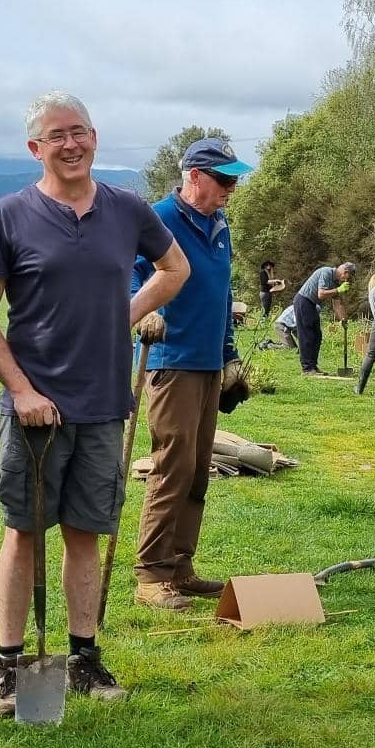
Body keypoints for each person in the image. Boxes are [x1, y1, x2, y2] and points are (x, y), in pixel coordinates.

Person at [0, 92, 190, 710]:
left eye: (79, 132)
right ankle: (10, 665)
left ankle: (84, 658)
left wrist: (126, 315)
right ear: (35, 148)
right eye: (56, 135)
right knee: (24, 534)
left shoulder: (126, 210)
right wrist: (22, 391)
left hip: (103, 403)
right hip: (36, 407)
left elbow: (174, 270)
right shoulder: (10, 215)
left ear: (95, 137)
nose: (71, 144)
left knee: (86, 533)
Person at [131, 138, 249, 612]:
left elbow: (222, 294)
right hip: (171, 360)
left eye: (235, 179)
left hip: (206, 362)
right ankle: (152, 574)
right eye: (224, 179)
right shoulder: (157, 219)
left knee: (198, 469)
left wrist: (229, 355)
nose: (232, 189)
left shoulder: (219, 225)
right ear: (194, 177)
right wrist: (140, 312)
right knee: (172, 465)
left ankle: (180, 565)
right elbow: (129, 273)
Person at [292, 260, 354, 374]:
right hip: (303, 301)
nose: (345, 280)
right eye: (347, 277)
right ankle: (307, 368)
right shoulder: (326, 272)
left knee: (317, 336)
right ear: (344, 272)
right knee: (307, 335)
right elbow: (321, 294)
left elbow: (337, 303)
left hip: (312, 304)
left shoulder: (335, 282)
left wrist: (343, 319)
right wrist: (338, 290)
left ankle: (313, 366)